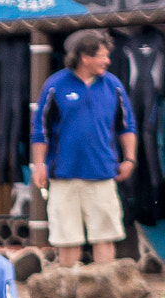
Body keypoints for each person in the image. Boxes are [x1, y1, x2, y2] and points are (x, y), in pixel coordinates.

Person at [30, 28, 137, 266]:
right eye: (102, 55)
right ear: (84, 57)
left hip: (102, 173)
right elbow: (41, 130)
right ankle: (68, 287)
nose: (107, 61)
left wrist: (129, 159)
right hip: (63, 175)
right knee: (67, 239)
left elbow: (126, 125)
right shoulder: (55, 84)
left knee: (105, 236)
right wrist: (39, 165)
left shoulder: (113, 85)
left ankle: (104, 289)